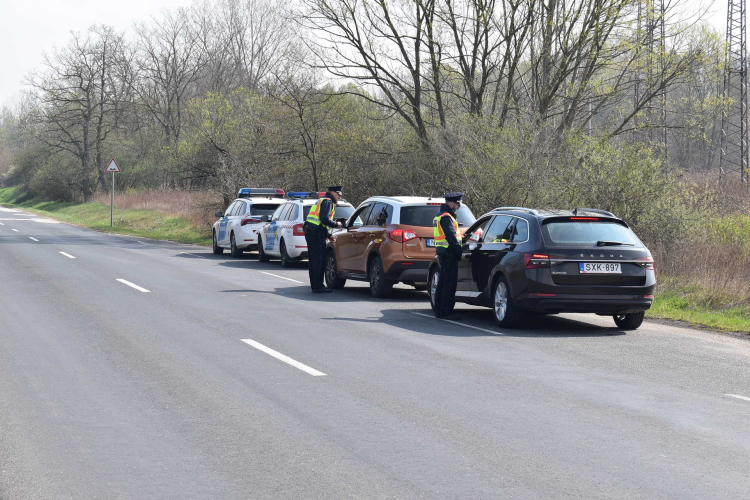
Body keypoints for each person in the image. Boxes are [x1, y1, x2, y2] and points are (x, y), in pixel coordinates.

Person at [304, 185, 344, 293]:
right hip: (316, 234)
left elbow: (319, 222)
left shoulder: (321, 200)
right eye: (339, 194)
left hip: (312, 231)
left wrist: (328, 235)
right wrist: (336, 224)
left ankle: (315, 285)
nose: (339, 197)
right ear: (333, 193)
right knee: (319, 260)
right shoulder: (327, 202)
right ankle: (318, 286)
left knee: (313, 260)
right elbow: (324, 219)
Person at [433, 192, 464, 319]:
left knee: (443, 282)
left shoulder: (440, 216)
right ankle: (446, 311)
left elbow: (452, 235)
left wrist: (463, 238)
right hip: (449, 252)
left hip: (443, 252)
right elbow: (451, 237)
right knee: (449, 284)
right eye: (458, 203)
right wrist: (458, 251)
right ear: (451, 203)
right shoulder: (446, 217)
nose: (459, 206)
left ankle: (439, 310)